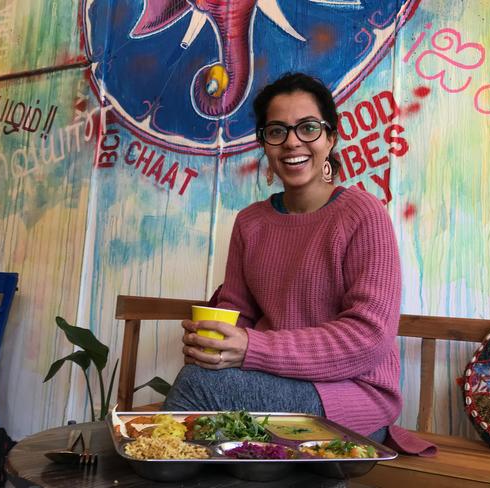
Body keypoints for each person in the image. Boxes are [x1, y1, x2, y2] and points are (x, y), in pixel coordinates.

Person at [163, 72, 402, 443]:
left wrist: (250, 348)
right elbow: (237, 313)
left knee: (198, 391)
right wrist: (215, 343)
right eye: (276, 131)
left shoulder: (364, 214)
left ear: (331, 137)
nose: (292, 142)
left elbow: (368, 339)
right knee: (220, 423)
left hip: (351, 394)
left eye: (307, 128)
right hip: (275, 382)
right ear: (265, 144)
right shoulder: (251, 223)